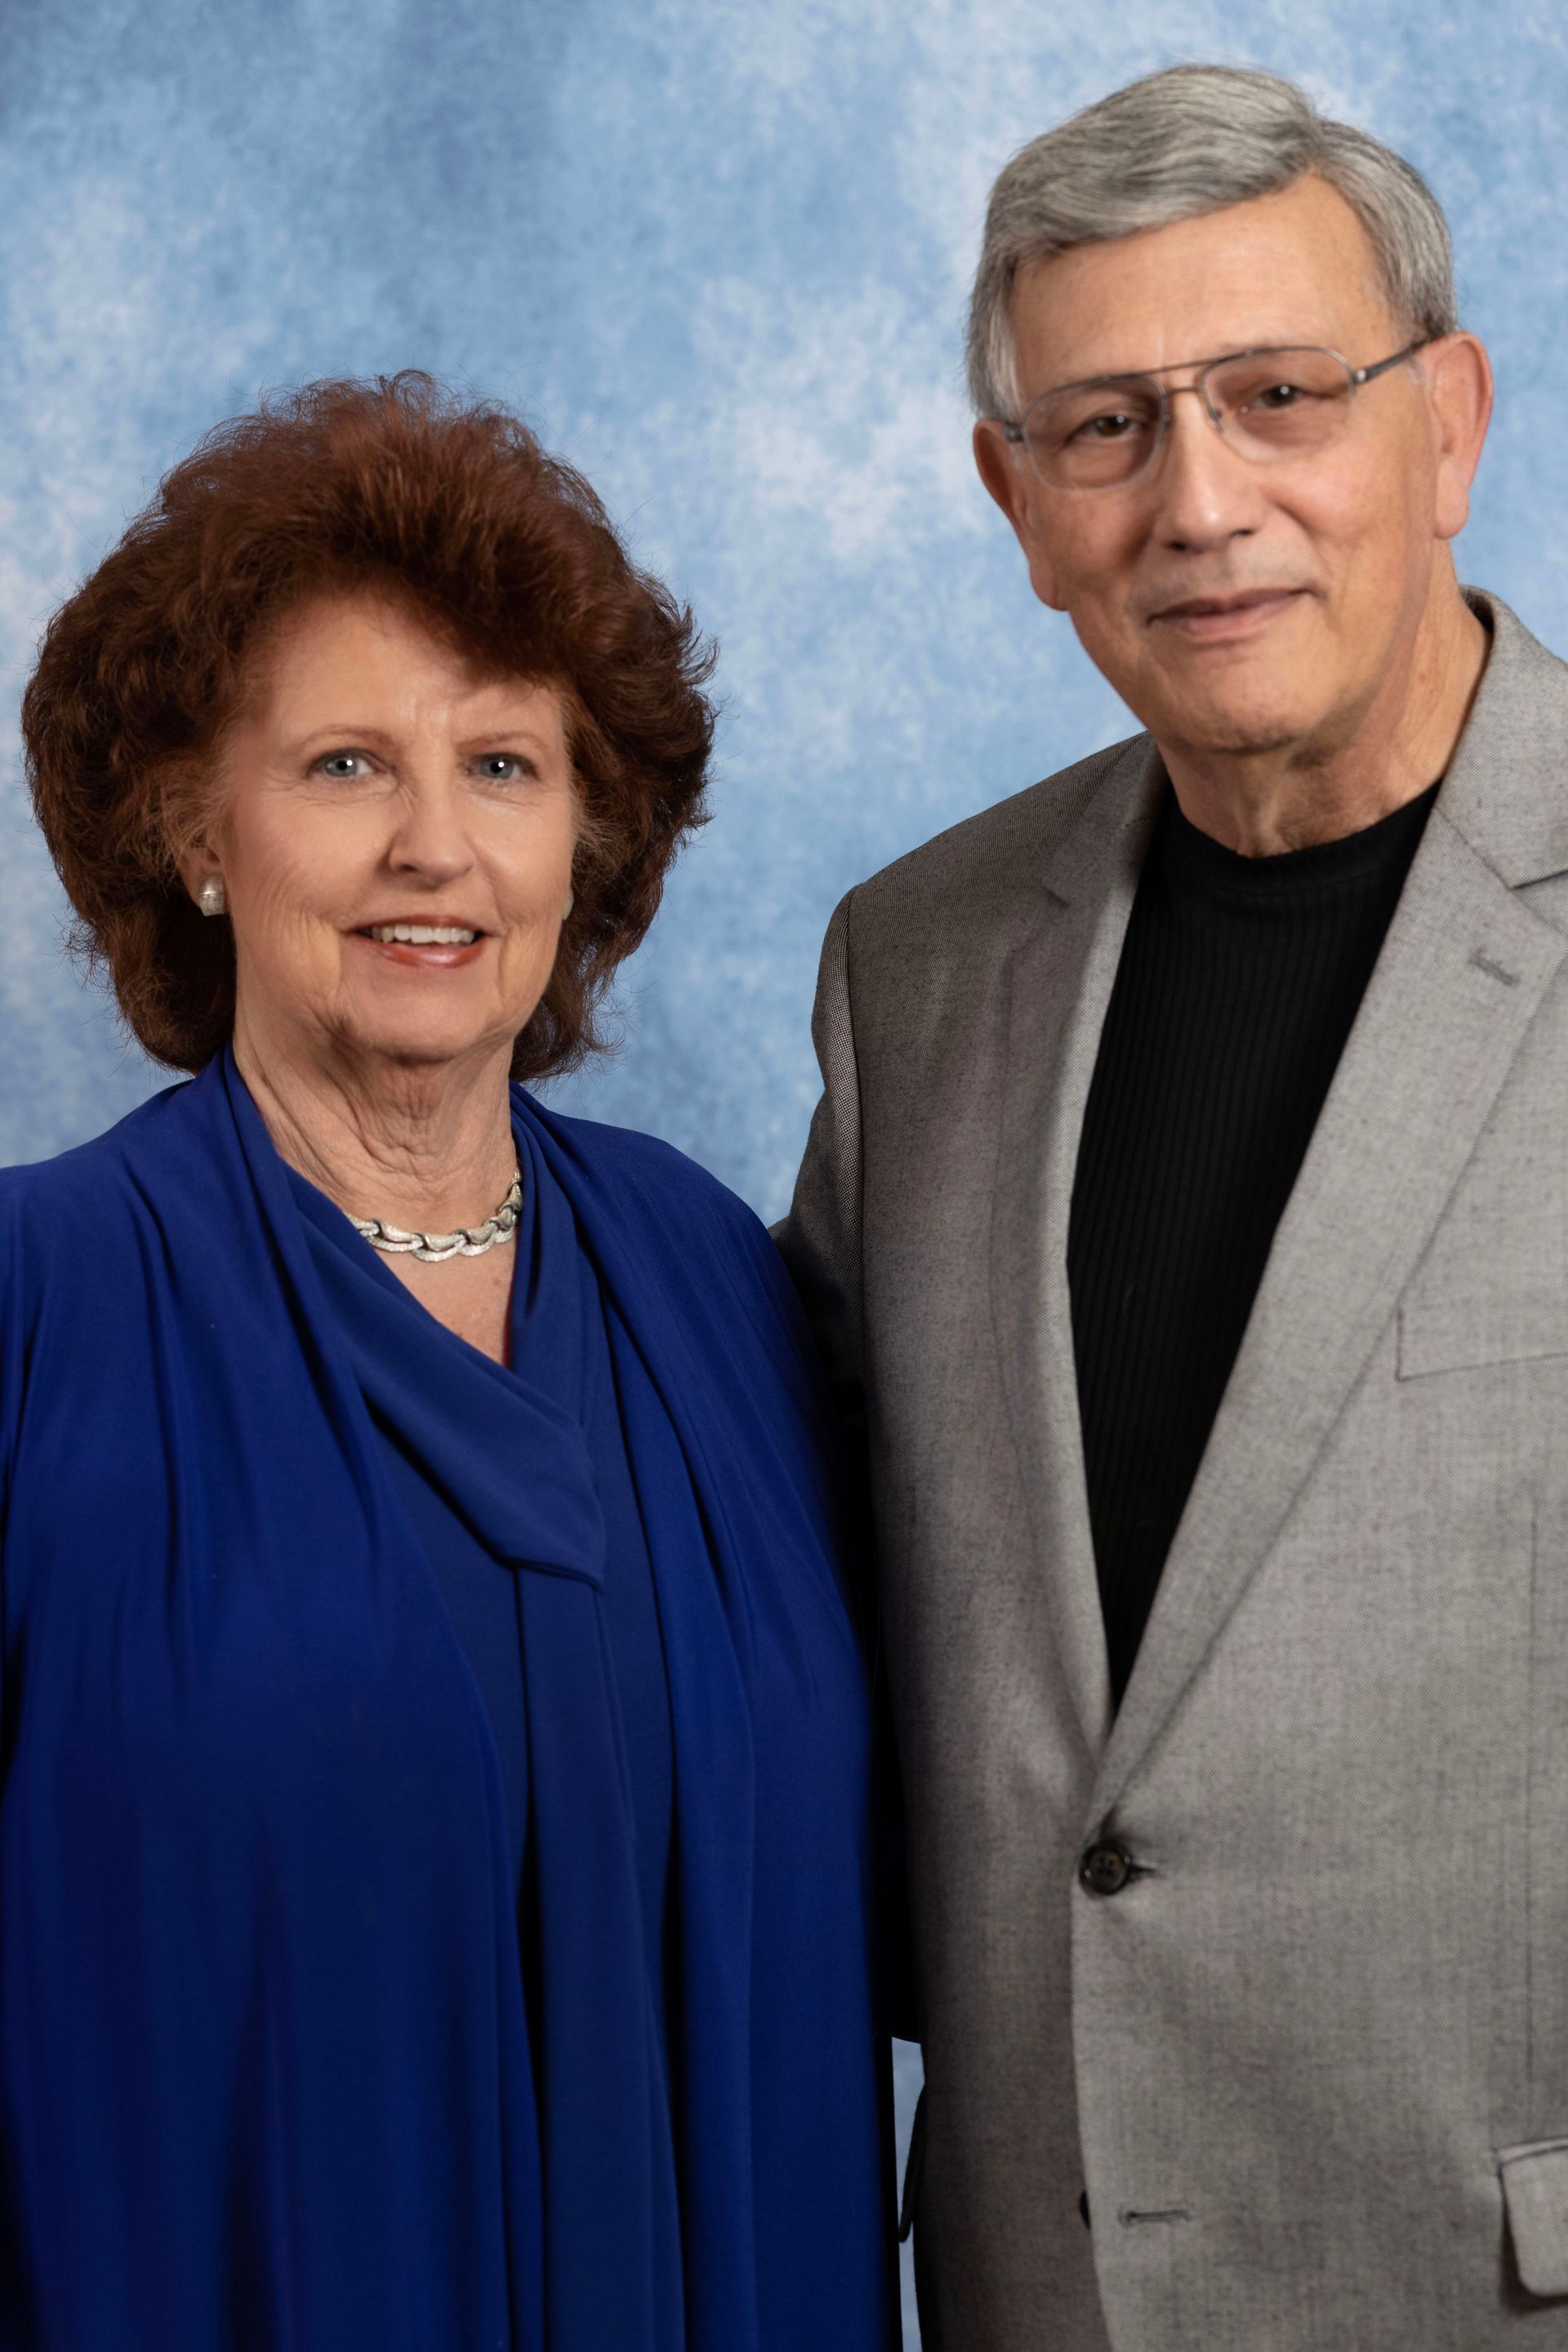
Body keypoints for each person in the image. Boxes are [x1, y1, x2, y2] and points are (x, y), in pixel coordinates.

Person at [780, 60, 1568, 2351]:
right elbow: (821, 1608)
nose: (1200, 502)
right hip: (1052, 2288)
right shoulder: (915, 969)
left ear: (1449, 424)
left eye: (1277, 394)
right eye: (1107, 427)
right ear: (1016, 506)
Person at [2, 372, 897, 2352]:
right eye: (342, 766)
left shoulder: (712, 1277)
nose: (433, 846)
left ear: (587, 836)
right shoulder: (36, 1304)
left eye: (504, 766)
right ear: (191, 828)